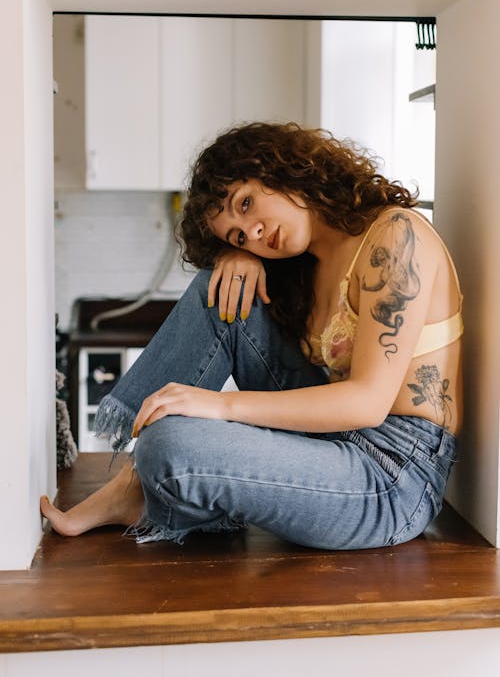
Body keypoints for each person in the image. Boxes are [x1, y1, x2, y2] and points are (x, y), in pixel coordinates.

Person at [40, 122, 463, 550]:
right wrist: (236, 255)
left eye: (247, 203)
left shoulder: (395, 236)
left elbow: (368, 404)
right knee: (218, 288)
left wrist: (220, 405)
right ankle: (133, 483)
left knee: (168, 447)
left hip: (393, 476)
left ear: (283, 169)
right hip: (337, 442)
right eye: (240, 234)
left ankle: (150, 484)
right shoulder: (304, 265)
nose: (256, 233)